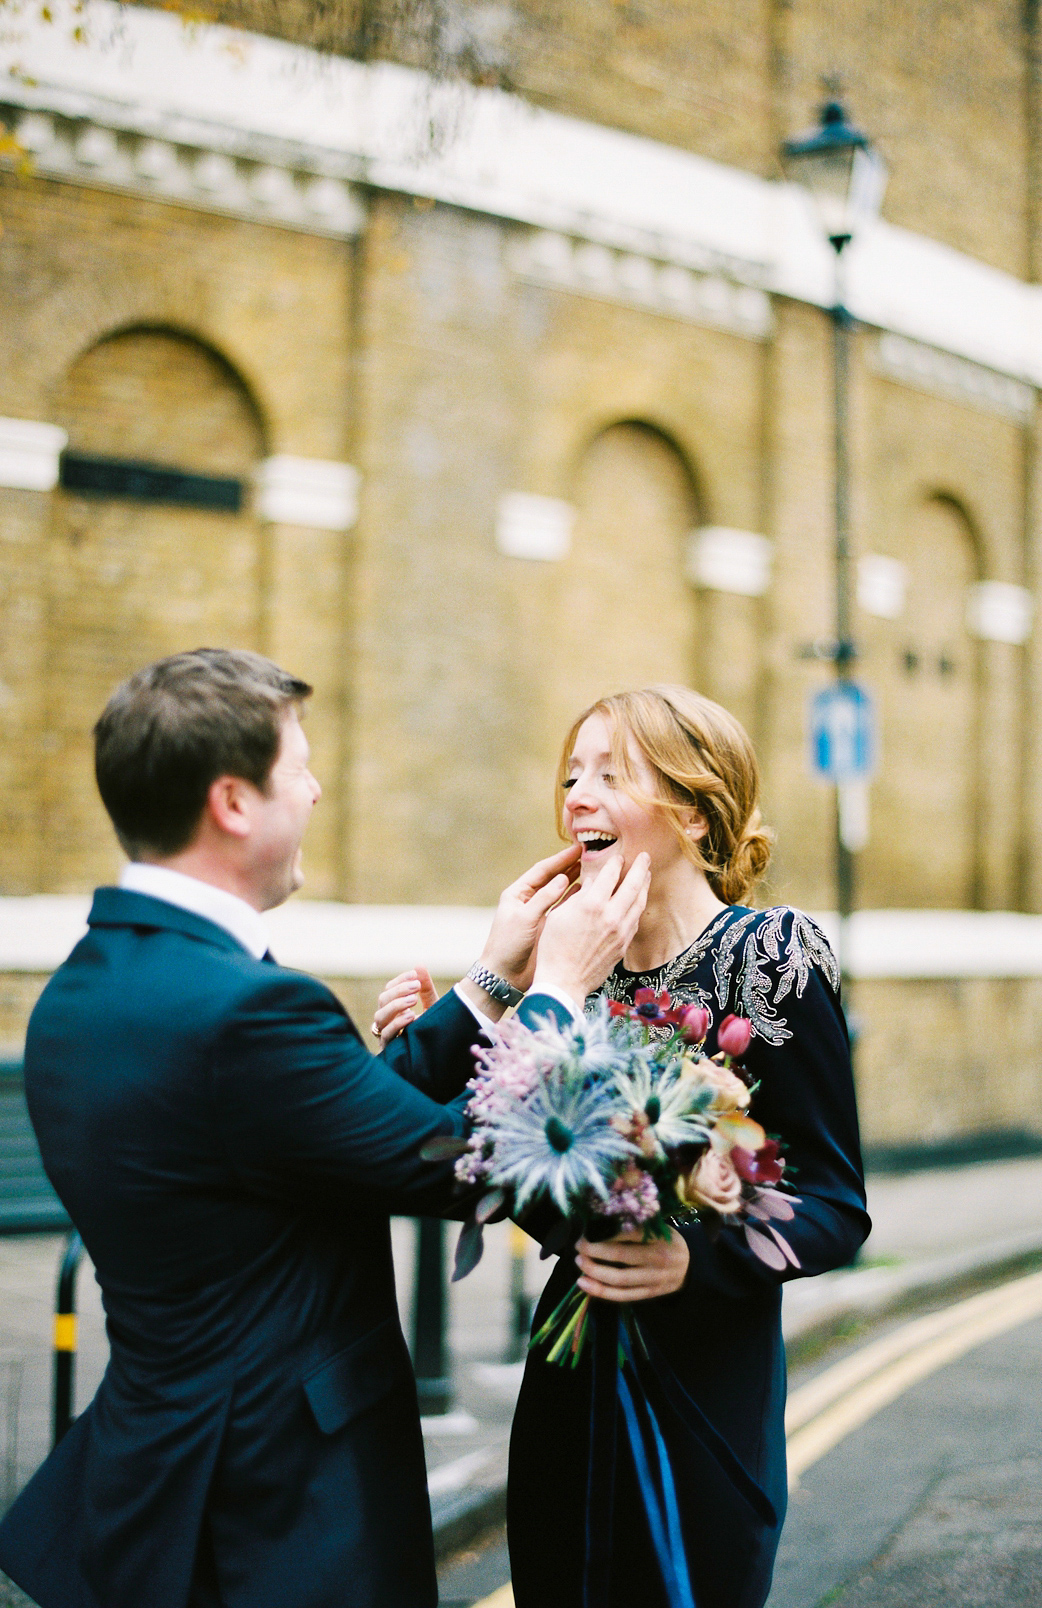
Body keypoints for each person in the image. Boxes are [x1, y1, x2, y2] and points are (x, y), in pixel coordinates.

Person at [0, 647, 650, 1608]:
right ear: (233, 803)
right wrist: (555, 992)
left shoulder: (78, 997)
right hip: (278, 1509)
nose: (314, 790)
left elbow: (321, 1134)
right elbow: (454, 1166)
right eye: (296, 767)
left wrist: (489, 984)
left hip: (153, 1484)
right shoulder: (246, 1014)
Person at [378, 684, 868, 1608]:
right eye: (570, 775)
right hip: (568, 1383)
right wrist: (466, 1011)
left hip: (708, 1390)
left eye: (611, 773)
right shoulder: (561, 974)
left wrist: (697, 1256)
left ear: (692, 805)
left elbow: (835, 1204)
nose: (576, 795)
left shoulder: (776, 957)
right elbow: (416, 1141)